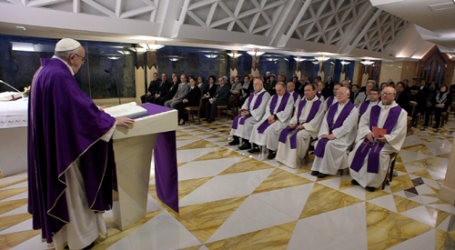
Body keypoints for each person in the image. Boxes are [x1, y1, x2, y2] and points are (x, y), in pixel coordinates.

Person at [28, 38, 134, 250]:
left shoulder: (43, 71)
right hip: (64, 151)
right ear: (72, 57)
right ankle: (80, 239)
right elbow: (77, 110)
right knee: (73, 192)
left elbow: (69, 107)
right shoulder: (60, 75)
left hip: (52, 144)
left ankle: (65, 238)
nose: (81, 64)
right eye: (82, 59)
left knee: (69, 192)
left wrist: (95, 110)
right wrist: (111, 121)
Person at [349, 86, 407, 192]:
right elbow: (363, 122)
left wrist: (387, 138)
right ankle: (358, 177)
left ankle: (373, 183)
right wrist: (367, 132)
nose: (384, 95)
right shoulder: (374, 108)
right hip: (371, 138)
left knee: (377, 154)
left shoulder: (401, 112)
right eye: (383, 93)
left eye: (388, 93)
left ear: (394, 96)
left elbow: (400, 130)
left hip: (387, 142)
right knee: (359, 148)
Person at [311, 87, 358, 178]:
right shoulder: (333, 107)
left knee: (330, 144)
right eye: (337, 93)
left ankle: (326, 170)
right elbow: (325, 121)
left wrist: (334, 135)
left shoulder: (353, 109)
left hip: (344, 136)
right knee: (321, 141)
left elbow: (347, 127)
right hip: (330, 133)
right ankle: (317, 168)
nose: (338, 95)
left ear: (348, 95)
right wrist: (325, 133)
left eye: (341, 93)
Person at [276, 83, 324, 168]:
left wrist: (304, 126)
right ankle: (283, 157)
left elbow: (317, 120)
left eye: (308, 90)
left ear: (314, 91)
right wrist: (292, 123)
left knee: (298, 136)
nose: (306, 92)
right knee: (284, 132)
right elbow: (296, 115)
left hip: (310, 128)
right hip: (298, 125)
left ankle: (294, 160)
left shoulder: (320, 104)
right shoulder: (302, 102)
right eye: (305, 90)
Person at [248, 82, 294, 159]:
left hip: (281, 120)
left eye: (279, 90)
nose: (278, 92)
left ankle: (272, 150)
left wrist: (275, 117)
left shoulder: (289, 98)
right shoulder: (273, 97)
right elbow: (268, 108)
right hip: (270, 118)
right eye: (276, 90)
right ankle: (256, 146)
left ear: (284, 89)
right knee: (256, 126)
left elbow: (287, 111)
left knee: (270, 130)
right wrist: (269, 117)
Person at [230, 79, 270, 148]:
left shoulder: (266, 95)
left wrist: (250, 113)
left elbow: (262, 108)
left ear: (261, 85)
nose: (254, 86)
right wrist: (243, 110)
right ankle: (236, 138)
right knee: (237, 119)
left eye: (256, 84)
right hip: (249, 113)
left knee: (247, 122)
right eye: (254, 84)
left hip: (257, 116)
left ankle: (247, 142)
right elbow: (246, 102)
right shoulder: (253, 93)